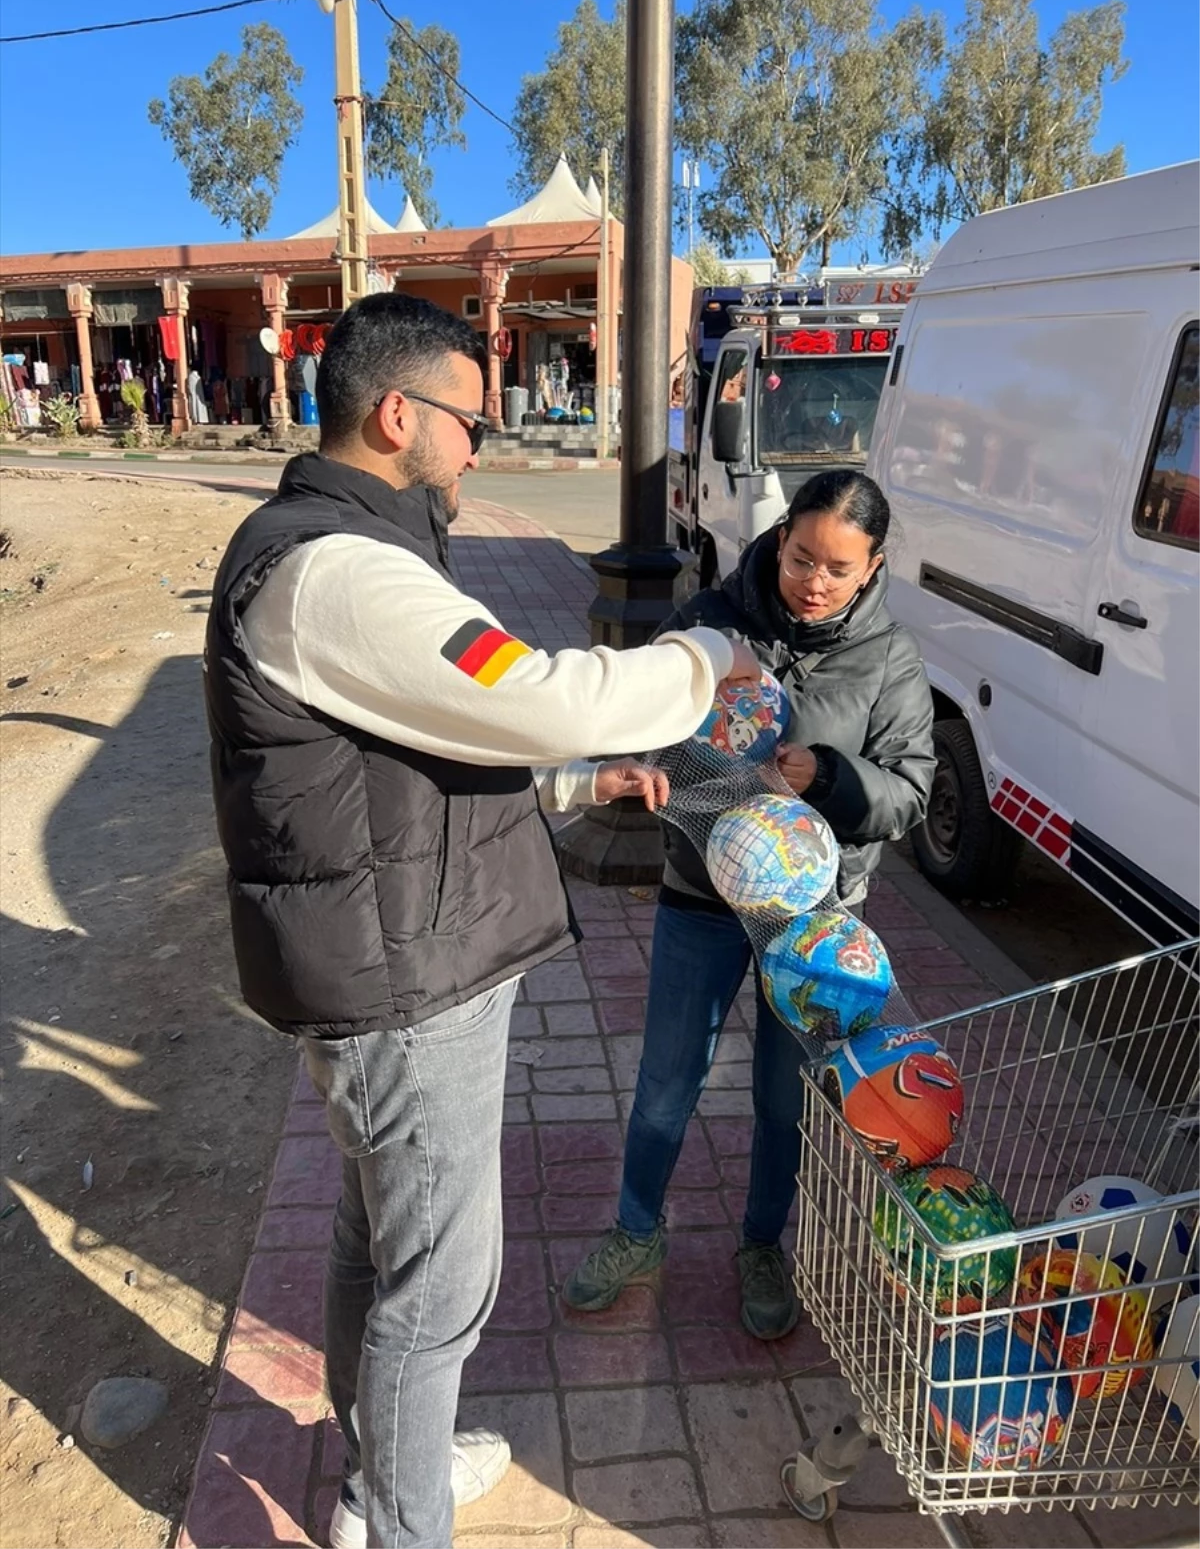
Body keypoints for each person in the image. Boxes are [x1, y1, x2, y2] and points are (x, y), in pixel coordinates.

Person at [203, 291, 760, 1549]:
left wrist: (572, 784)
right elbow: (542, 695)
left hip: (392, 952)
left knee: (381, 1240)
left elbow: (417, 748)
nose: (483, 440)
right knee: (440, 1288)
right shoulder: (340, 570)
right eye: (467, 415)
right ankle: (399, 1516)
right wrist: (704, 659)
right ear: (397, 415)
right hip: (409, 981)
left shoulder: (352, 552)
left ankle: (387, 1465)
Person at [563, 469, 936, 1340]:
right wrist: (649, 762)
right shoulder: (706, 625)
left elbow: (911, 791)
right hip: (700, 900)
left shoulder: (890, 660)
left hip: (812, 931)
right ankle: (634, 1232)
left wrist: (833, 777)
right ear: (780, 539)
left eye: (838, 570)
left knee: (783, 1099)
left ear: (873, 567)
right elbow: (640, 714)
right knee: (663, 1087)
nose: (813, 581)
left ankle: (763, 1245)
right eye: (802, 556)